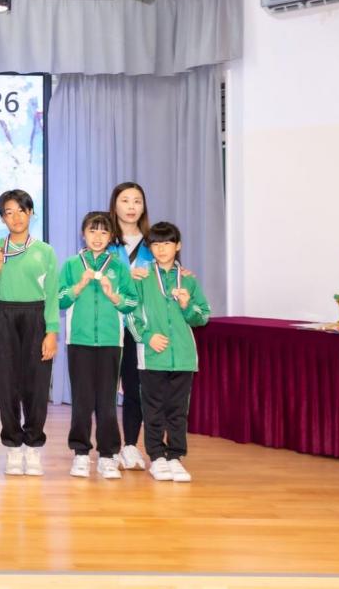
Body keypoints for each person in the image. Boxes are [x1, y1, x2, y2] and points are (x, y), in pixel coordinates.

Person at [0, 189, 59, 477]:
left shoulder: (45, 251)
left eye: (21, 210)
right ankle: (12, 446)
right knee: (6, 383)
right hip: (2, 316)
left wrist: (51, 331)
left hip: (36, 316)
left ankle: (33, 447)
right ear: (2, 218)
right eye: (9, 212)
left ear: (31, 213)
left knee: (36, 384)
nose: (16, 217)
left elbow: (52, 295)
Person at [58, 211, 139, 480]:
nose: (98, 237)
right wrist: (78, 286)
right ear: (83, 234)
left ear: (111, 236)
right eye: (92, 231)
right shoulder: (72, 265)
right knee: (81, 400)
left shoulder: (118, 267)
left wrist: (113, 295)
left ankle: (108, 455)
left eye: (104, 232)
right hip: (78, 341)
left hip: (110, 342)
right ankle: (80, 453)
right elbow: (59, 299)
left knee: (106, 401)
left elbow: (131, 302)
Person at [127, 222, 210, 483]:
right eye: (156, 244)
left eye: (167, 243)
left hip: (183, 357)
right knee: (153, 410)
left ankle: (175, 457)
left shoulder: (188, 279)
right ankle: (157, 457)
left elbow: (202, 316)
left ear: (178, 246)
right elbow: (130, 314)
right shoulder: (142, 278)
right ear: (149, 248)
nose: (161, 249)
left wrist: (187, 305)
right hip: (153, 357)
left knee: (177, 411)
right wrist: (147, 337)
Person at [107, 182, 155, 471]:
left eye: (137, 201)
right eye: (125, 200)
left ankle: (130, 445)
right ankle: (108, 447)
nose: (131, 206)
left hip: (140, 327)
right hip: (109, 325)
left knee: (135, 387)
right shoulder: (103, 240)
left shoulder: (154, 243)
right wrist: (126, 276)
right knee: (104, 389)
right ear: (115, 205)